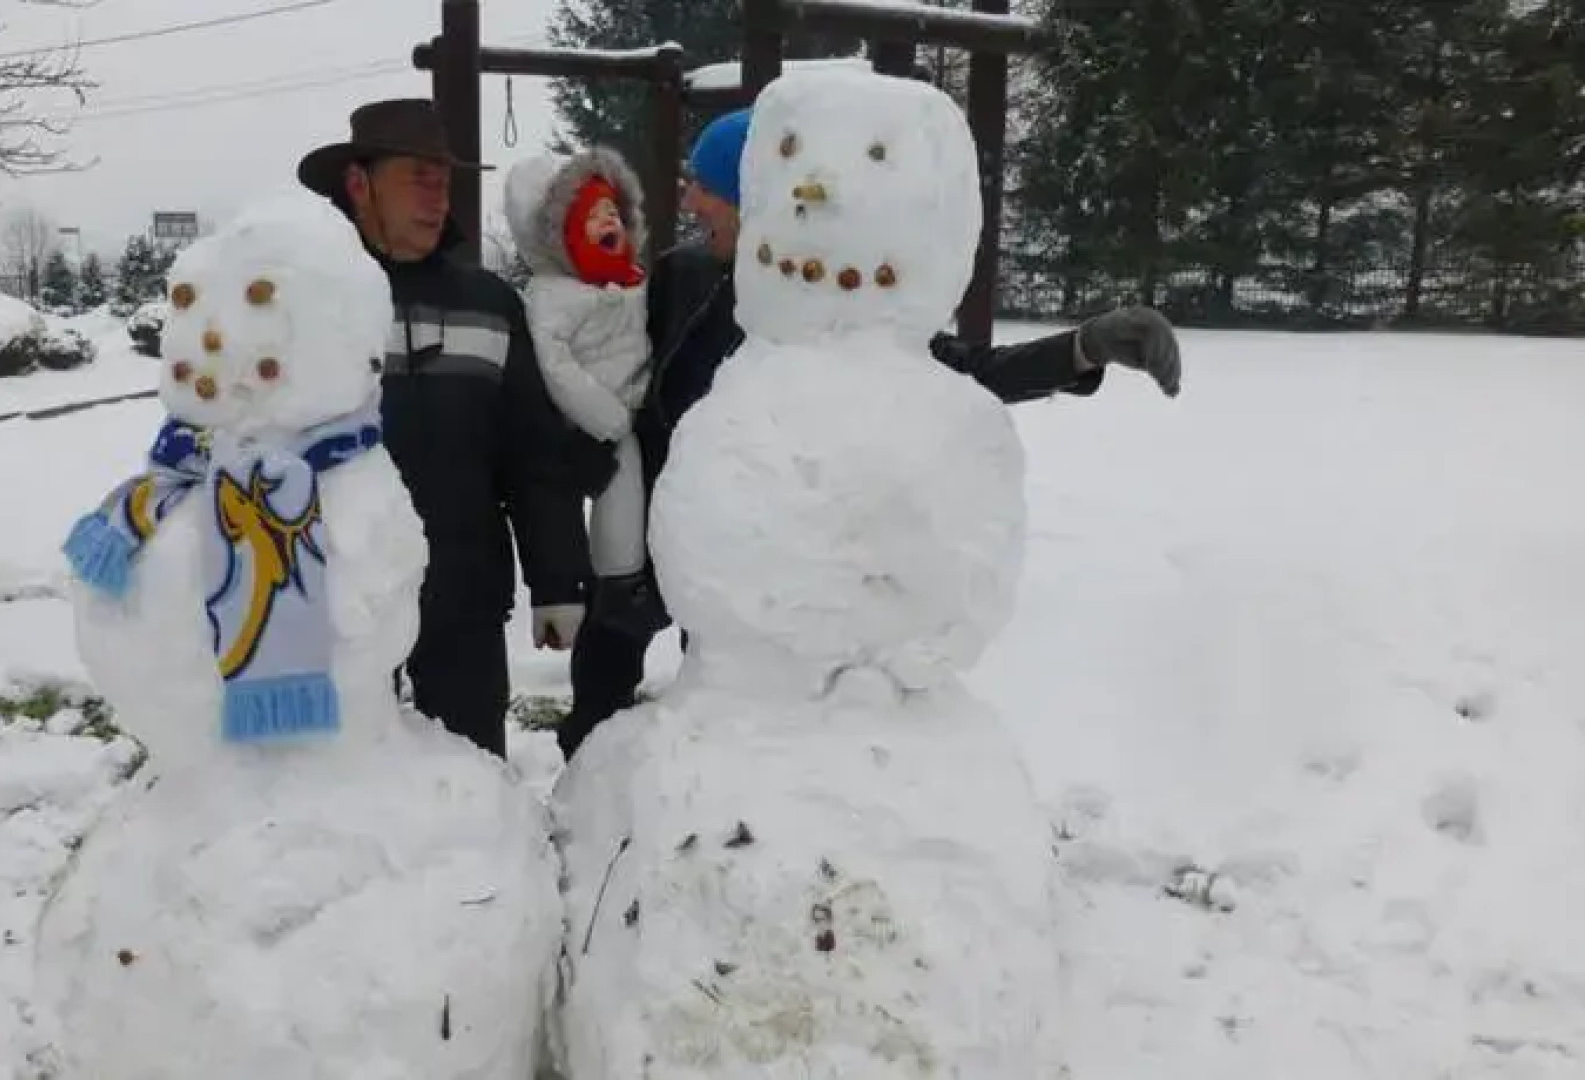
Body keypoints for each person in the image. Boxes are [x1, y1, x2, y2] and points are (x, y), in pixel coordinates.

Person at [557, 107, 1184, 761]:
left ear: (754, 199)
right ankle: (587, 785)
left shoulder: (836, 304)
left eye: (706, 186)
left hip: (755, 546)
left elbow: (961, 372)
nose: (689, 198)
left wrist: (1083, 348)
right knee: (607, 655)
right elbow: (618, 373)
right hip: (652, 519)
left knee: (727, 689)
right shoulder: (681, 275)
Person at [298, 99, 590, 759]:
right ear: (358, 184)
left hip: (464, 591)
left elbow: (533, 454)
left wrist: (557, 579)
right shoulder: (311, 300)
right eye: (418, 177)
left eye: (445, 179)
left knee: (470, 777)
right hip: (339, 598)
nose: (438, 197)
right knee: (336, 775)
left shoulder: (488, 304)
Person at [500, 145, 669, 639]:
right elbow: (555, 364)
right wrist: (604, 416)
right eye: (594, 216)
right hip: (580, 422)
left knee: (623, 497)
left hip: (626, 421)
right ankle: (566, 590)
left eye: (614, 211)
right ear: (563, 233)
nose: (609, 221)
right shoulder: (552, 296)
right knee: (559, 510)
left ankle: (621, 581)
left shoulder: (636, 282)